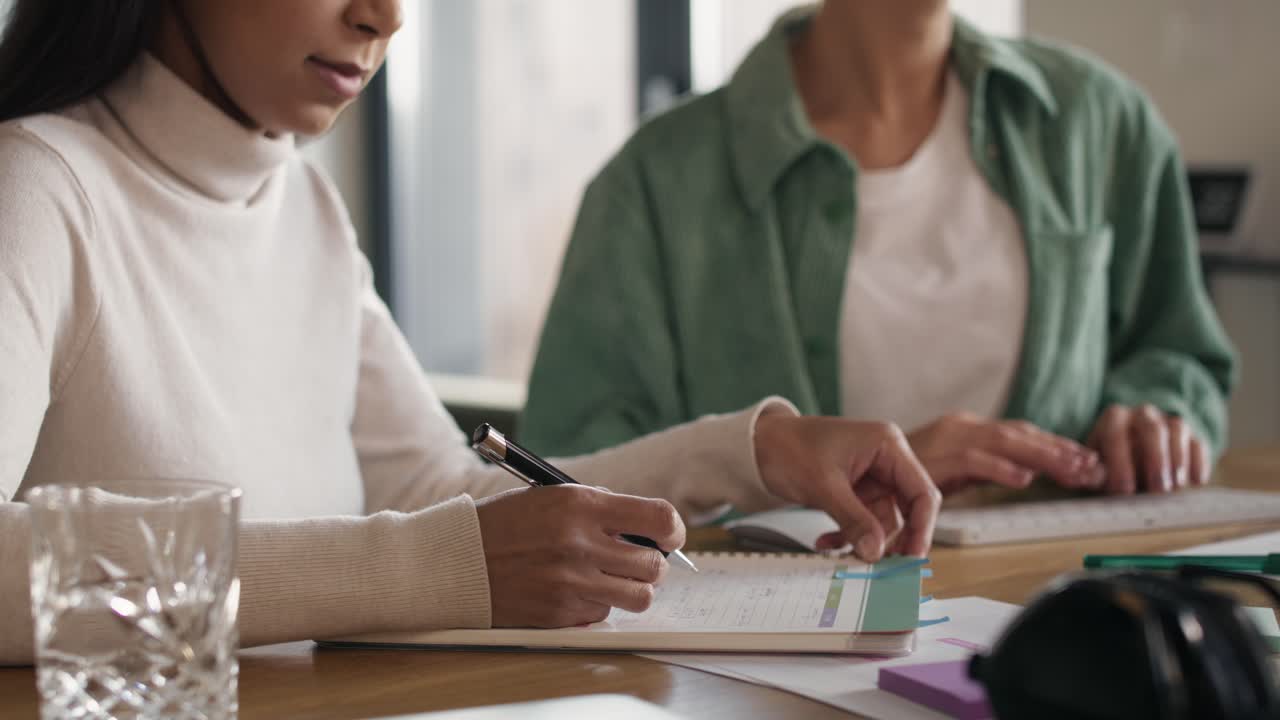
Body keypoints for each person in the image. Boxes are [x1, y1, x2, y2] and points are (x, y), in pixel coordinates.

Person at [0, 0, 942, 665]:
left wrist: (751, 452)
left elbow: (438, 492)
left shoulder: (303, 207)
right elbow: (440, 549)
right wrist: (429, 566)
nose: (385, 16)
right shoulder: (37, 187)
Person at [523, 0, 1237, 499]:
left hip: (1062, 617)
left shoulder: (1100, 123)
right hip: (779, 645)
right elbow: (569, 473)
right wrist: (843, 476)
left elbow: (1176, 351)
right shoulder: (654, 184)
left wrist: (1154, 411)